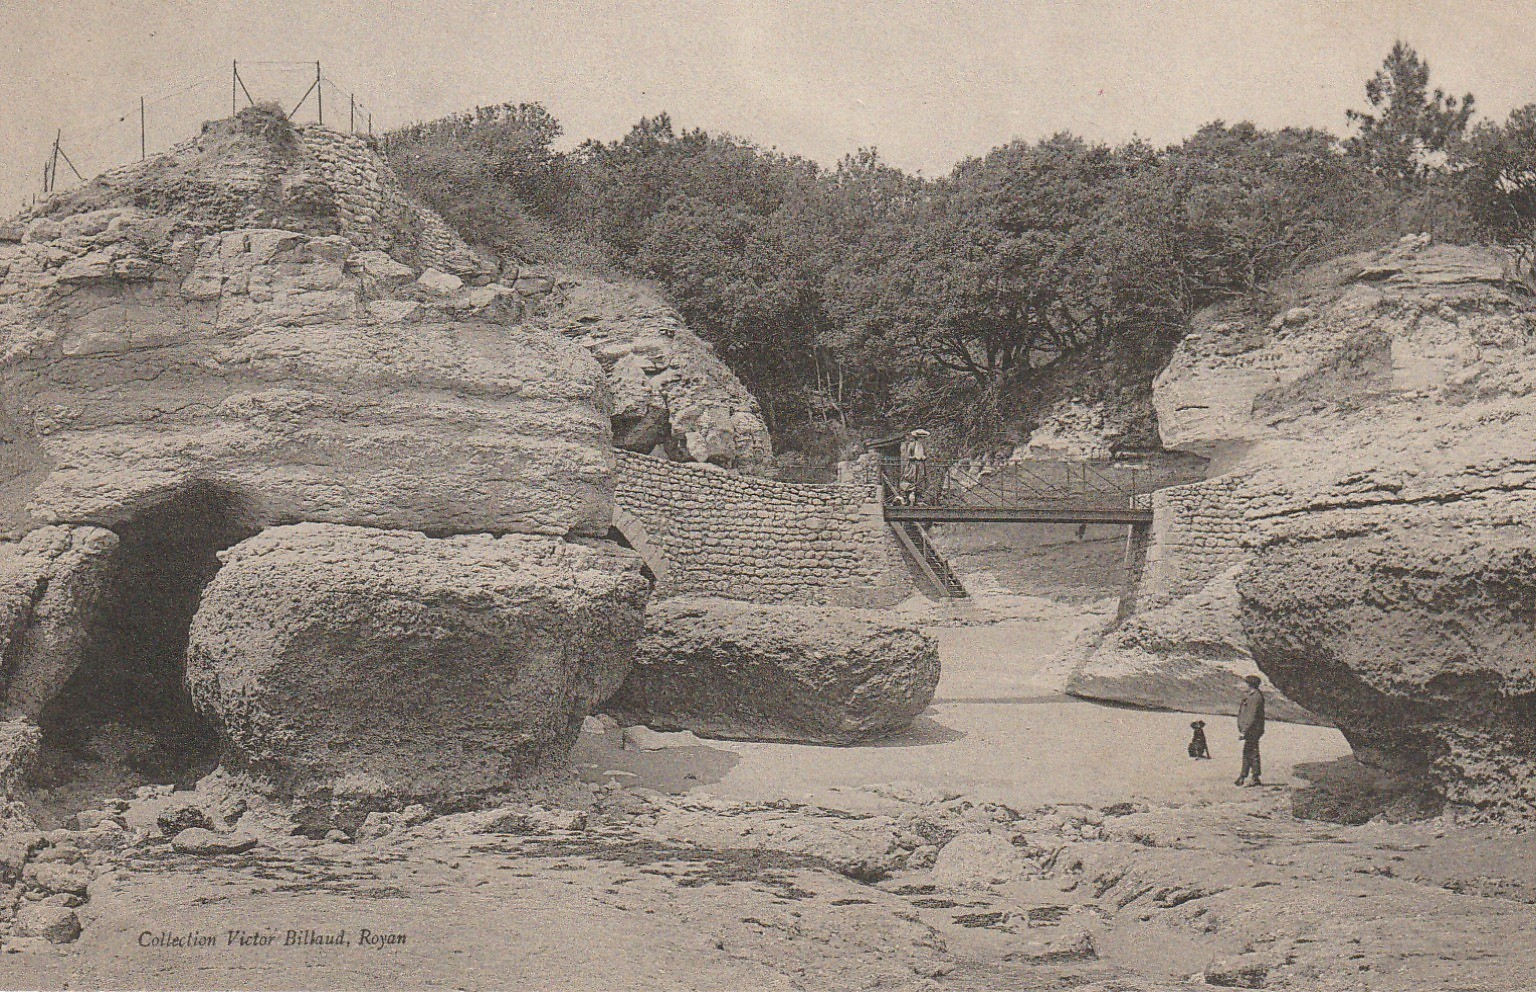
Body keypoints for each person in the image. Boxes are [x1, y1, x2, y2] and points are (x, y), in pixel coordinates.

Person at [1234, 674, 1266, 786]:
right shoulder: (1253, 696)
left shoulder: (1255, 698)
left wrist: (1244, 731)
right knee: (1249, 752)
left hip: (1252, 730)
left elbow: (1251, 716)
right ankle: (1246, 776)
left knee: (1251, 753)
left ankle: (1252, 777)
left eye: (1245, 683)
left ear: (1250, 685)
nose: (1243, 685)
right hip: (1252, 729)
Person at [907, 429, 930, 504]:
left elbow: (926, 455)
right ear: (917, 438)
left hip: (921, 464)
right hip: (913, 464)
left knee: (921, 478)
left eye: (923, 438)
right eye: (920, 438)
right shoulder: (912, 445)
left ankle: (920, 496)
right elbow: (908, 456)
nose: (922, 439)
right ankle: (911, 496)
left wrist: (924, 457)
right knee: (913, 478)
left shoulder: (923, 446)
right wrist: (914, 457)